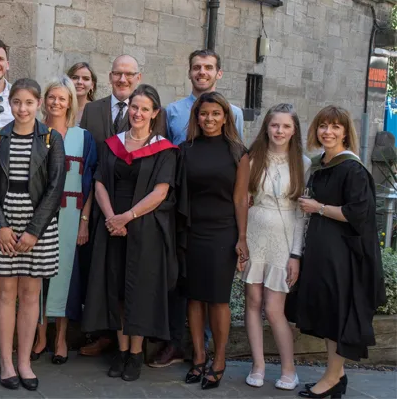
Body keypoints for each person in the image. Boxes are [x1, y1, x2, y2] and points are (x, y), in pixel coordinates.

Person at [81, 84, 178, 382]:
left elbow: (161, 192)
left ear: (154, 113)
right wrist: (111, 217)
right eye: (134, 107)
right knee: (116, 288)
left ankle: (136, 353)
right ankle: (121, 350)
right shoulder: (112, 144)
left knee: (139, 290)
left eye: (145, 109)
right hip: (112, 225)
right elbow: (98, 183)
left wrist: (128, 216)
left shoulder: (165, 149)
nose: (137, 113)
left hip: (144, 226)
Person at [293, 106, 385, 398]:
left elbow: (358, 213)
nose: (327, 132)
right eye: (323, 126)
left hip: (343, 255)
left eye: (335, 127)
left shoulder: (352, 169)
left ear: (346, 132)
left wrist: (317, 207)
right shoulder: (321, 164)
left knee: (338, 316)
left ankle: (332, 379)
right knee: (328, 314)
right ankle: (336, 376)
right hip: (323, 252)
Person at [0, 78, 65, 391]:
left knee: (30, 296)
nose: (23, 108)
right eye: (17, 102)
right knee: (5, 294)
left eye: (29, 103)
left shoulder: (51, 139)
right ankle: (5, 362)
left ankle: (24, 362)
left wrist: (33, 231)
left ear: (38, 104)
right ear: (9, 103)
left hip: (38, 226)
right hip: (2, 223)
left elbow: (55, 187)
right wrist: (0, 226)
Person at [178, 92, 249, 390]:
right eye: (204, 114)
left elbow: (241, 199)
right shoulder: (185, 149)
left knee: (218, 299)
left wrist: (242, 238)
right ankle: (198, 356)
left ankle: (219, 360)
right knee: (194, 297)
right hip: (192, 230)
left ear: (225, 117)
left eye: (215, 114)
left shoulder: (238, 152)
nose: (209, 119)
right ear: (196, 117)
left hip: (223, 231)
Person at [242, 104, 309, 390]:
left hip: (283, 240)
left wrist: (296, 254)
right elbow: (242, 203)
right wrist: (241, 240)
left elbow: (300, 214)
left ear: (294, 131)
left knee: (273, 308)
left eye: (285, 126)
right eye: (274, 125)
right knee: (253, 302)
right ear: (266, 127)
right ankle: (258, 366)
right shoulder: (252, 158)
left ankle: (288, 369)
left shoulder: (303, 163)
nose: (279, 131)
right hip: (254, 234)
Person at [32, 78, 97, 365]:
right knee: (38, 277)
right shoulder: (33, 133)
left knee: (66, 277)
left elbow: (91, 183)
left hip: (71, 213)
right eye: (51, 97)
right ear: (44, 100)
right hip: (37, 215)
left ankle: (60, 338)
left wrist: (84, 221)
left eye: (62, 98)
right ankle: (40, 335)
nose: (56, 103)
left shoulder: (82, 138)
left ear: (70, 101)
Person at [165, 49, 245, 145]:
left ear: (219, 74)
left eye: (208, 67)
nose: (202, 72)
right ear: (189, 73)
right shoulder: (172, 111)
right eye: (196, 68)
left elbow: (237, 152)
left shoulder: (234, 113)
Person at [79, 54, 140, 147]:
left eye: (129, 74)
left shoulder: (148, 114)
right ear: (110, 77)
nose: (122, 79)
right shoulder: (91, 110)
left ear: (138, 78)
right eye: (117, 73)